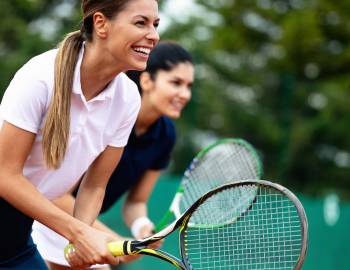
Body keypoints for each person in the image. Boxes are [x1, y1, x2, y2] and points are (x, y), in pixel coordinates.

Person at [0, 0, 160, 269]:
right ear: (100, 24)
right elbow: (5, 174)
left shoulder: (128, 98)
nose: (154, 35)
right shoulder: (39, 77)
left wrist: (77, 242)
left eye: (155, 25)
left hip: (14, 240)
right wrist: (78, 233)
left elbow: (95, 185)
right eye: (140, 22)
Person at [31, 40, 195, 270]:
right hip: (47, 219)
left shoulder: (166, 134)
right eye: (176, 83)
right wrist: (111, 238)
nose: (185, 94)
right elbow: (58, 195)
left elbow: (136, 202)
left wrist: (141, 227)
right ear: (147, 80)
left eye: (189, 85)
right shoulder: (110, 113)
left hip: (86, 230)